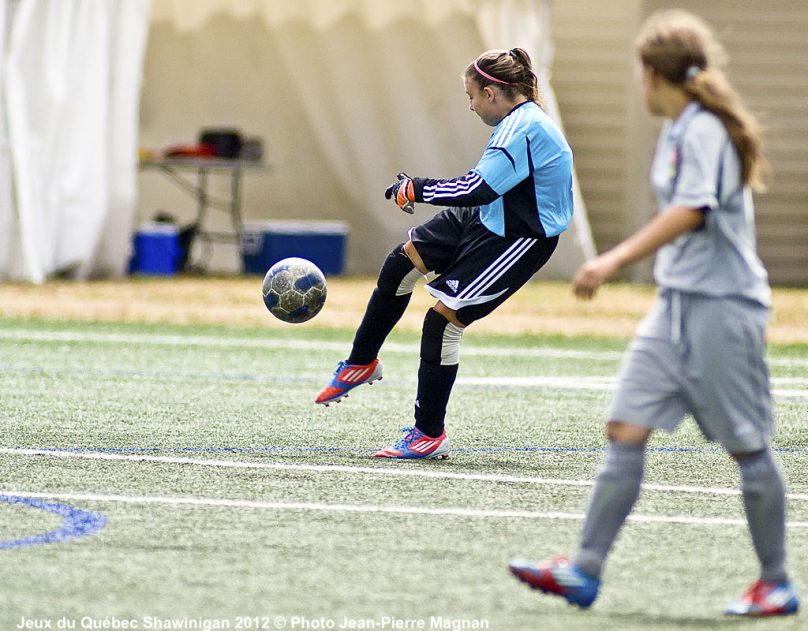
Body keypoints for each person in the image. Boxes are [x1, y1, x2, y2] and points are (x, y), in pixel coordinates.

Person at [507, 10, 800, 618]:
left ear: (653, 74)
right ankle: (585, 570)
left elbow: (693, 209)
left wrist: (610, 260)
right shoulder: (677, 129)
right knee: (626, 426)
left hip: (724, 310)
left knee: (747, 446)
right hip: (673, 310)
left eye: (639, 73)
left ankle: (775, 580)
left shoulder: (705, 131)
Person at [315, 48, 574, 459]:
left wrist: (416, 187)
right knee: (402, 262)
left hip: (518, 238)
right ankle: (360, 362)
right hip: (489, 217)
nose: (470, 106)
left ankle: (428, 434)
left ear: (491, 93)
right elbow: (484, 194)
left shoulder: (525, 129)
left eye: (471, 96)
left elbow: (478, 187)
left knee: (441, 324)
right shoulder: (517, 122)